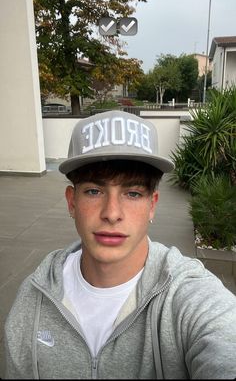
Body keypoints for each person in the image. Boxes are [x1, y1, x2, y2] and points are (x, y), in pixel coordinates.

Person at [4, 110, 236, 379]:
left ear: (152, 205)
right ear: (71, 201)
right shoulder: (34, 297)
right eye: (94, 191)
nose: (112, 213)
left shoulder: (188, 296)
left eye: (133, 193)